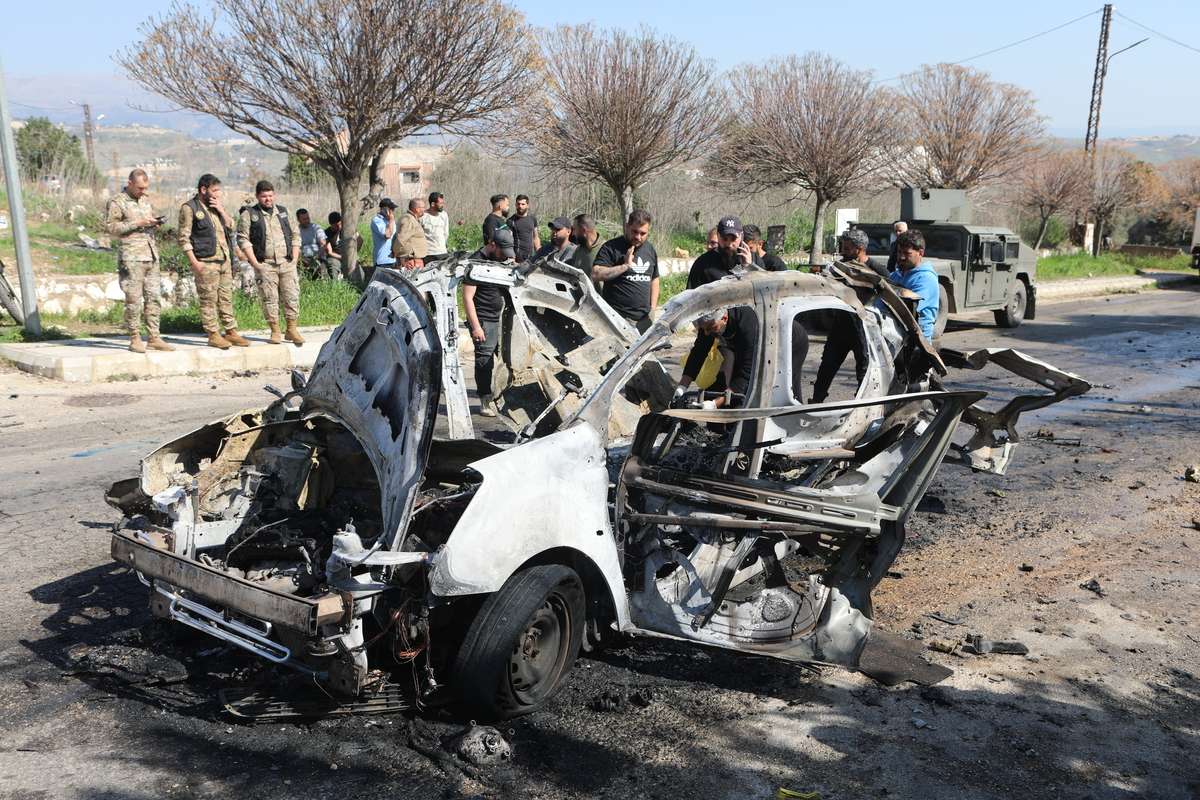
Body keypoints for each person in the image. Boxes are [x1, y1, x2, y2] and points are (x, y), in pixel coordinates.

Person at [811, 229, 884, 403]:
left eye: (847, 248)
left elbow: (887, 295)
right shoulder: (840, 267)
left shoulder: (877, 270)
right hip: (840, 326)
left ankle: (863, 404)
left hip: (863, 328)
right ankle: (816, 401)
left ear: (859, 249)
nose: (843, 251)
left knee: (864, 369)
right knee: (827, 367)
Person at [105, 168, 173, 353]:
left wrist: (153, 223)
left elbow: (147, 221)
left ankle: (154, 337)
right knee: (133, 300)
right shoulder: (117, 202)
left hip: (151, 254)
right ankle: (134, 337)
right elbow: (111, 227)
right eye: (140, 188)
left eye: (145, 188)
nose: (143, 191)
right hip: (132, 257)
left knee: (154, 298)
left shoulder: (145, 200)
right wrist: (137, 223)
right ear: (130, 184)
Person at [178, 174, 249, 350]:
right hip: (205, 261)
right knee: (208, 299)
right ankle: (213, 334)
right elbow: (183, 238)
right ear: (203, 190)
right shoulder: (190, 208)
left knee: (226, 297)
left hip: (224, 260)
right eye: (215, 190)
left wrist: (222, 210)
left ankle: (230, 331)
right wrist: (194, 262)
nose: (219, 194)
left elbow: (232, 226)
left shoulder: (216, 207)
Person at [238, 180, 303, 346]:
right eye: (264, 196)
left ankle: (291, 329)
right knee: (269, 298)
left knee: (292, 296)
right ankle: (275, 330)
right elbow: (243, 240)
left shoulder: (284, 212)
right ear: (257, 196)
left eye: (270, 195)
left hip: (286, 262)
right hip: (265, 264)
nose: (268, 199)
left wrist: (294, 258)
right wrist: (255, 263)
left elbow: (295, 235)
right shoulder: (250, 215)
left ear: (274, 195)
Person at [463, 227, 516, 418]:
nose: (505, 256)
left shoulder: (500, 259)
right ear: (492, 245)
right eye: (503, 252)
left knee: (504, 359)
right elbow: (468, 298)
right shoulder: (476, 262)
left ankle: (500, 396)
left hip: (501, 317)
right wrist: (476, 326)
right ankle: (485, 400)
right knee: (484, 360)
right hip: (484, 319)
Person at [591, 209, 660, 333]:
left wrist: (653, 308)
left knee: (642, 352)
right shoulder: (611, 247)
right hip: (617, 319)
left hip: (643, 320)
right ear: (627, 226)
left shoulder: (650, 249)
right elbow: (596, 274)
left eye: (643, 233)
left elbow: (654, 278)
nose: (638, 237)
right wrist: (625, 266)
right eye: (635, 231)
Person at [677, 307, 759, 408]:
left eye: (710, 328)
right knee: (716, 386)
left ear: (724, 318)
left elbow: (746, 372)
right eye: (704, 329)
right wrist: (681, 387)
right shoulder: (710, 323)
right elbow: (698, 352)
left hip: (752, 349)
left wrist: (715, 404)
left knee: (735, 401)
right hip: (728, 347)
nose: (706, 333)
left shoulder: (747, 324)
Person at [889, 229, 940, 341]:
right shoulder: (896, 275)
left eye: (907, 253)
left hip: (917, 342)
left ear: (921, 253)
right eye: (899, 252)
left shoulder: (925, 279)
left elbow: (908, 310)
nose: (901, 257)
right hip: (896, 338)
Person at [687, 215, 753, 289]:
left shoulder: (753, 260)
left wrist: (749, 267)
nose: (729, 244)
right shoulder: (703, 263)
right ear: (718, 236)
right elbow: (691, 296)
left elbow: (762, 290)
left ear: (741, 236)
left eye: (733, 239)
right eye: (724, 239)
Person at [391, 197, 427, 269]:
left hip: (414, 261)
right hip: (410, 262)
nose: (424, 209)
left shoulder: (413, 219)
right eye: (423, 207)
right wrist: (395, 252)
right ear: (417, 209)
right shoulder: (408, 219)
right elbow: (401, 239)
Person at [296, 208, 329, 279]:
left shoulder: (316, 228)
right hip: (302, 258)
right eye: (304, 219)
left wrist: (317, 256)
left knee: (322, 268)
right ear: (298, 220)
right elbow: (296, 248)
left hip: (317, 256)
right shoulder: (296, 231)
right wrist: (301, 258)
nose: (307, 220)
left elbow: (323, 244)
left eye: (308, 218)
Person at [508, 194, 540, 262]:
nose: (520, 206)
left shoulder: (532, 219)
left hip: (531, 257)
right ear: (516, 205)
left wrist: (539, 254)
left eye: (523, 204)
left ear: (527, 205)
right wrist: (511, 257)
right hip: (517, 258)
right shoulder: (511, 221)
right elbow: (508, 241)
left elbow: (536, 237)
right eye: (518, 204)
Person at [569, 214, 603, 279]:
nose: (573, 233)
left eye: (575, 229)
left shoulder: (606, 250)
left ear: (583, 230)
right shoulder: (578, 250)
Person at [421, 191, 449, 260]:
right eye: (440, 203)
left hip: (442, 252)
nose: (442, 205)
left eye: (443, 203)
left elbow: (446, 233)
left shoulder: (444, 215)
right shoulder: (423, 216)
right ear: (433, 204)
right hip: (429, 254)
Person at [371, 198, 398, 268]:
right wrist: (391, 220)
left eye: (393, 209)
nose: (392, 211)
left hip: (393, 259)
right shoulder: (377, 220)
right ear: (384, 209)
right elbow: (388, 235)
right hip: (382, 261)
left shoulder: (391, 220)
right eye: (391, 208)